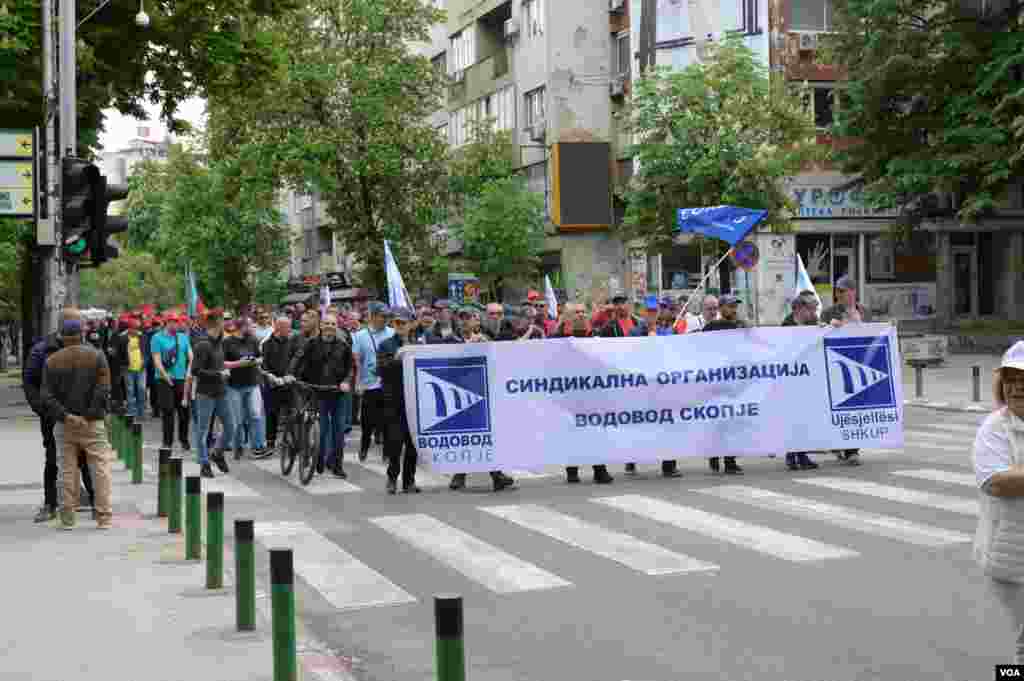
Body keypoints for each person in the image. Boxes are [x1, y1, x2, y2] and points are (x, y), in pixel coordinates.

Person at [973, 341, 1024, 663]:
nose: (1017, 388)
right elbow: (996, 482)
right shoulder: (995, 429)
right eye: (1010, 379)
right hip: (1013, 555)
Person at [39, 318, 115, 530]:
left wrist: (66, 416)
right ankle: (104, 516)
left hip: (65, 424)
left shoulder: (51, 361)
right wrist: (89, 415)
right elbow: (104, 389)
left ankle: (68, 517)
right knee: (100, 468)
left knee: (66, 470)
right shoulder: (97, 356)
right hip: (93, 422)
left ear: (62, 337)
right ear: (82, 335)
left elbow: (46, 396)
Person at [23, 307, 96, 522]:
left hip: (81, 414)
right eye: (78, 326)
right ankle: (50, 504)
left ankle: (95, 502)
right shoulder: (41, 351)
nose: (81, 331)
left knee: (85, 458)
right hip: (52, 415)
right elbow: (30, 384)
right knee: (53, 458)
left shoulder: (87, 347)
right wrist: (44, 411)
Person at [289, 313, 355, 477]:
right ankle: (317, 459)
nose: (330, 327)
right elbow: (297, 360)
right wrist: (290, 374)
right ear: (321, 326)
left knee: (338, 431)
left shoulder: (343, 345)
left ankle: (336, 464)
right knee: (322, 429)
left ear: (336, 327)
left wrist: (346, 381)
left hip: (337, 392)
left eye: (333, 324)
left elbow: (351, 367)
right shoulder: (310, 344)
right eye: (327, 323)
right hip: (316, 392)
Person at [822, 274, 869, 466]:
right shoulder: (829, 312)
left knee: (856, 407)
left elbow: (875, 332)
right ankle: (841, 444)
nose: (839, 294)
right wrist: (828, 327)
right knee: (839, 406)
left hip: (860, 364)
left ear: (853, 292)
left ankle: (852, 449)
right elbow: (818, 333)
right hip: (836, 365)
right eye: (837, 291)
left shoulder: (864, 311)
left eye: (843, 291)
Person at [560, 318, 613, 485]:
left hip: (577, 399)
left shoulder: (566, 349)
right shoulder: (591, 348)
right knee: (593, 436)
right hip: (585, 399)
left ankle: (574, 472)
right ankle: (598, 471)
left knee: (575, 436)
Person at [377, 309, 420, 494]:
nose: (400, 326)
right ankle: (392, 478)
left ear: (411, 324)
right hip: (394, 399)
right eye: (397, 323)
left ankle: (409, 481)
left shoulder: (419, 344)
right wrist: (397, 359)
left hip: (415, 400)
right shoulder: (386, 344)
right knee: (395, 442)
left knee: (413, 444)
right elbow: (381, 370)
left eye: (403, 323)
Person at [703, 293, 745, 474]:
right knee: (718, 422)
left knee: (732, 421)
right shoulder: (712, 327)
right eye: (730, 306)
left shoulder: (740, 325)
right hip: (715, 382)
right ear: (721, 308)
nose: (734, 309)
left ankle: (729, 460)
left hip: (733, 381)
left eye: (735, 306)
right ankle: (715, 455)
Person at [191, 309, 234, 478]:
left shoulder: (219, 343)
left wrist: (224, 370)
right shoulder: (203, 344)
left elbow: (220, 364)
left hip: (221, 392)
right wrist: (218, 374)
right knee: (203, 431)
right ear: (217, 323)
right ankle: (204, 463)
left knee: (231, 427)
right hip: (206, 394)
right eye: (224, 321)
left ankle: (217, 452)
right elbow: (195, 370)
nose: (227, 323)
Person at [781, 291, 821, 471]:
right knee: (792, 417)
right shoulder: (786, 325)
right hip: (790, 378)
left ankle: (802, 455)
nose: (813, 313)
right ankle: (791, 454)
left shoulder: (812, 323)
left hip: (807, 376)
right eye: (811, 309)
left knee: (805, 417)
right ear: (800, 309)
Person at [352, 302, 396, 461]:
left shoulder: (392, 333)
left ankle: (387, 452)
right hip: (369, 384)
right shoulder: (360, 336)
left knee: (387, 420)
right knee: (367, 420)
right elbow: (357, 361)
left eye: (387, 317)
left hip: (389, 384)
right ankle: (364, 446)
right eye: (382, 316)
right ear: (373, 317)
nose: (385, 320)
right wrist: (358, 383)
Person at [223, 316, 268, 460]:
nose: (252, 327)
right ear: (241, 327)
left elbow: (261, 358)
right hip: (234, 386)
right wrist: (239, 363)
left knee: (255, 415)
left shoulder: (253, 340)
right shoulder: (227, 342)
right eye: (249, 325)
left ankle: (258, 446)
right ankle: (238, 446)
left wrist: (254, 361)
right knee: (238, 419)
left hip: (253, 382)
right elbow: (222, 363)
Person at [151, 315, 193, 452]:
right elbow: (156, 360)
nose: (175, 325)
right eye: (173, 322)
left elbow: (191, 356)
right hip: (163, 379)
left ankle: (184, 439)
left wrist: (189, 371)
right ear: (167, 323)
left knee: (184, 411)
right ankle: (167, 441)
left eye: (177, 322)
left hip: (182, 379)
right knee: (168, 410)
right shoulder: (157, 338)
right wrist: (165, 375)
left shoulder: (183, 337)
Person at [262, 316, 294, 450]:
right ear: (278, 327)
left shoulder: (292, 342)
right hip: (273, 384)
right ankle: (270, 441)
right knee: (272, 414)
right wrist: (272, 378)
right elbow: (264, 365)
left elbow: (294, 361)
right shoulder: (267, 344)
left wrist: (290, 375)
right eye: (287, 327)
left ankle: (290, 440)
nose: (289, 330)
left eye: (289, 326)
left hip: (289, 384)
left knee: (291, 413)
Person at [120, 318, 148, 419]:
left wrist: (145, 361)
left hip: (141, 369)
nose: (136, 330)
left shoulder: (143, 337)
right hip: (128, 369)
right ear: (129, 329)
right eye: (134, 328)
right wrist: (123, 364)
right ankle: (131, 412)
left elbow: (147, 352)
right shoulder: (123, 338)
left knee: (141, 389)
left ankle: (141, 412)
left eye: (137, 328)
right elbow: (119, 354)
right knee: (130, 390)